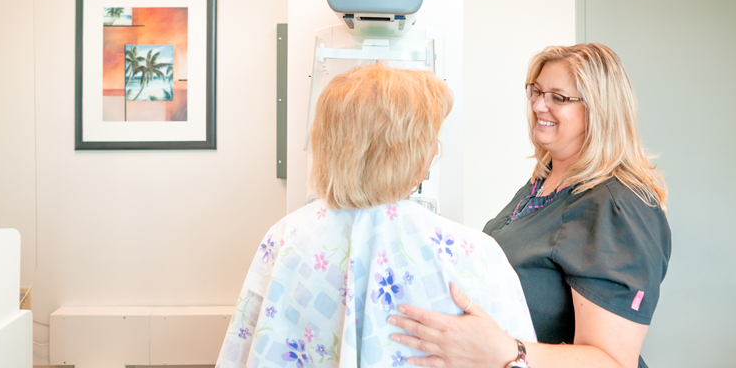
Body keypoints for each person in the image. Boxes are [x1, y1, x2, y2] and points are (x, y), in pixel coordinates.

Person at [215, 63, 536, 368]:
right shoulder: (474, 253)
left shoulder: (286, 236)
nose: (435, 151)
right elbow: (513, 356)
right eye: (430, 139)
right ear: (411, 150)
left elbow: (245, 348)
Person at [388, 43, 672, 368]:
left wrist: (509, 353)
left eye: (558, 97)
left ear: (600, 110)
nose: (539, 105)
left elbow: (612, 362)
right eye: (536, 91)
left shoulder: (616, 205)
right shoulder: (547, 179)